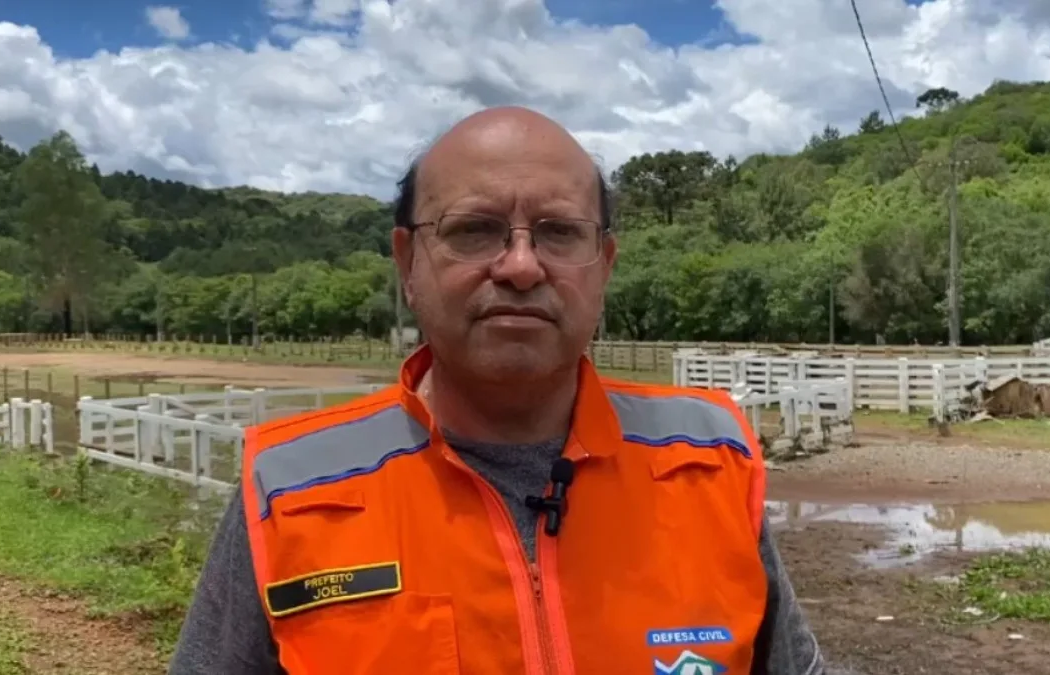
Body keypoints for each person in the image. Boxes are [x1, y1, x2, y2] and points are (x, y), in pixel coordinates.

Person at [168, 106, 825, 675]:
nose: (520, 265)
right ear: (408, 263)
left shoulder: (710, 461)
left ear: (604, 266)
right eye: (473, 230)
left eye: (559, 231)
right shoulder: (291, 489)